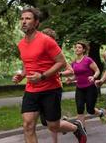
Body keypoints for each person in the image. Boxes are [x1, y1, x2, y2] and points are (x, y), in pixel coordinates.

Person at [12, 8, 87, 143]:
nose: (24, 22)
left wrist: (42, 76)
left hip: (50, 89)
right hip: (31, 90)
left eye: (28, 19)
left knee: (53, 126)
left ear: (36, 22)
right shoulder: (21, 44)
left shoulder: (46, 40)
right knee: (28, 126)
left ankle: (76, 127)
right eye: (22, 19)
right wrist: (21, 75)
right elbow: (28, 64)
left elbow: (61, 62)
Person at [40, 27, 74, 143]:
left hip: (54, 88)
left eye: (49, 39)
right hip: (39, 90)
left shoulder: (56, 53)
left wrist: (58, 73)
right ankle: (65, 124)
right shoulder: (38, 53)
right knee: (45, 122)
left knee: (52, 121)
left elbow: (71, 71)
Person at [66, 41, 105, 127]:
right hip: (79, 88)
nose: (77, 49)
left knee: (90, 110)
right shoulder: (74, 63)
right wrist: (70, 79)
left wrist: (93, 77)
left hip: (90, 87)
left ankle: (100, 112)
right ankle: (82, 130)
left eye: (79, 47)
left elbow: (97, 70)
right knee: (80, 108)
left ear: (83, 50)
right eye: (76, 47)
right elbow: (77, 76)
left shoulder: (88, 60)